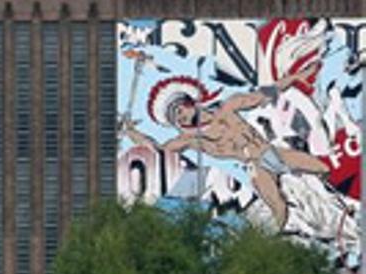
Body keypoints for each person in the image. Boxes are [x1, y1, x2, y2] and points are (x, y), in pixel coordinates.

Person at [121, 62, 359, 256]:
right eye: (175, 117)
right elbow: (157, 151)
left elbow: (265, 93)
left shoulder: (228, 107)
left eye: (180, 110)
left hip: (271, 151)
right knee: (277, 206)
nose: (180, 117)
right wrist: (132, 133)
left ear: (190, 102)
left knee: (322, 168)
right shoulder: (191, 139)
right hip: (254, 164)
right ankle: (267, 249)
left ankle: (340, 209)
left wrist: (297, 76)